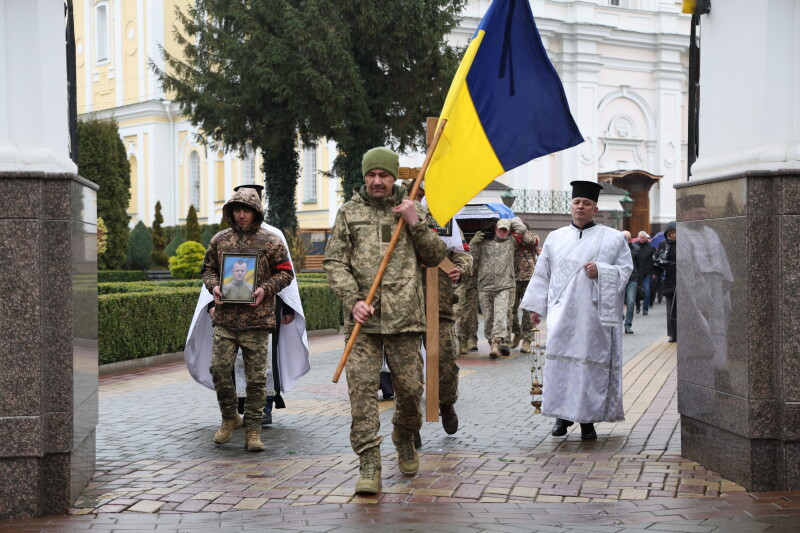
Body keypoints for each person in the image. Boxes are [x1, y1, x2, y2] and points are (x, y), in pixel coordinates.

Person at [323, 147, 446, 495]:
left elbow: (436, 256)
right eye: (371, 175)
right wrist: (353, 300)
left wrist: (413, 221)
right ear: (364, 177)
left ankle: (404, 435)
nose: (377, 181)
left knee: (410, 393)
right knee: (361, 395)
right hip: (363, 324)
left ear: (394, 178)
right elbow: (335, 262)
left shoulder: (414, 210)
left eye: (384, 175)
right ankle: (369, 463)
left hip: (405, 320)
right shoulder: (349, 213)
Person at [185, 185, 310, 430]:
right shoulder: (221, 239)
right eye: (238, 209)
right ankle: (234, 411)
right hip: (228, 314)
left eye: (248, 209)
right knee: (224, 366)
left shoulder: (272, 236)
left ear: (257, 208)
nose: (242, 215)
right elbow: (212, 272)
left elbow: (285, 275)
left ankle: (262, 410)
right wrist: (213, 298)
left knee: (260, 367)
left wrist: (286, 308)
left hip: (262, 312)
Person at [521, 180, 632, 440]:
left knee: (589, 367)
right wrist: (535, 307)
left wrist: (603, 271)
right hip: (562, 315)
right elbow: (542, 274)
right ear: (571, 206)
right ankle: (562, 417)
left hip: (594, 317)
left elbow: (626, 270)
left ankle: (587, 422)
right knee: (561, 366)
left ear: (595, 208)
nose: (580, 207)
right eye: (577, 202)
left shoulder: (613, 239)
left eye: (586, 203)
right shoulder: (556, 238)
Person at [411, 181, 473, 438]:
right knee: (408, 373)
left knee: (446, 364)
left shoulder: (447, 222)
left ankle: (447, 404)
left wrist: (462, 269)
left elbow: (463, 255)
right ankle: (409, 425)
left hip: (442, 307)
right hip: (407, 310)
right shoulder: (408, 221)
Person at [470, 218, 516, 359]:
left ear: (509, 232)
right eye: (500, 229)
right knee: (489, 318)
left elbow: (522, 229)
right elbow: (472, 257)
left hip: (504, 285)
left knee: (501, 316)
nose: (502, 232)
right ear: (495, 228)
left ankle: (497, 344)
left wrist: (509, 220)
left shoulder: (511, 243)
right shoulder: (484, 242)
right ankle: (492, 342)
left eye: (505, 230)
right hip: (485, 286)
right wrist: (473, 242)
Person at [509, 217, 539, 353]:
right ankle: (517, 332)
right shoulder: (511, 238)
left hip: (528, 278)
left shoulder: (531, 236)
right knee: (511, 310)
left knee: (527, 311)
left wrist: (521, 229)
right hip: (512, 278)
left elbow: (532, 241)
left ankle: (527, 339)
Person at [654, 221, 677, 342]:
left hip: (683, 280)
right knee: (671, 308)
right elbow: (658, 260)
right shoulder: (664, 244)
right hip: (669, 280)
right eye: (671, 233)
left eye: (676, 233)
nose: (674, 235)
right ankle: (673, 333)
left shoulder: (684, 244)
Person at [622, 230, 640, 334]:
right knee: (618, 304)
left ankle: (628, 325)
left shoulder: (636, 249)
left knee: (630, 302)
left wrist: (640, 281)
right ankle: (621, 317)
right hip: (620, 279)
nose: (625, 240)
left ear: (630, 239)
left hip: (632, 279)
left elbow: (639, 265)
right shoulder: (616, 249)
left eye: (627, 238)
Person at [634, 231, 656, 315]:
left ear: (646, 238)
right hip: (637, 272)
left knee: (647, 290)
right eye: (641, 237)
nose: (642, 239)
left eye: (644, 237)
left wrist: (653, 272)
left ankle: (645, 309)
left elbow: (653, 260)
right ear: (638, 237)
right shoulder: (635, 246)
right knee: (636, 291)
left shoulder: (651, 247)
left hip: (647, 272)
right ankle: (638, 306)